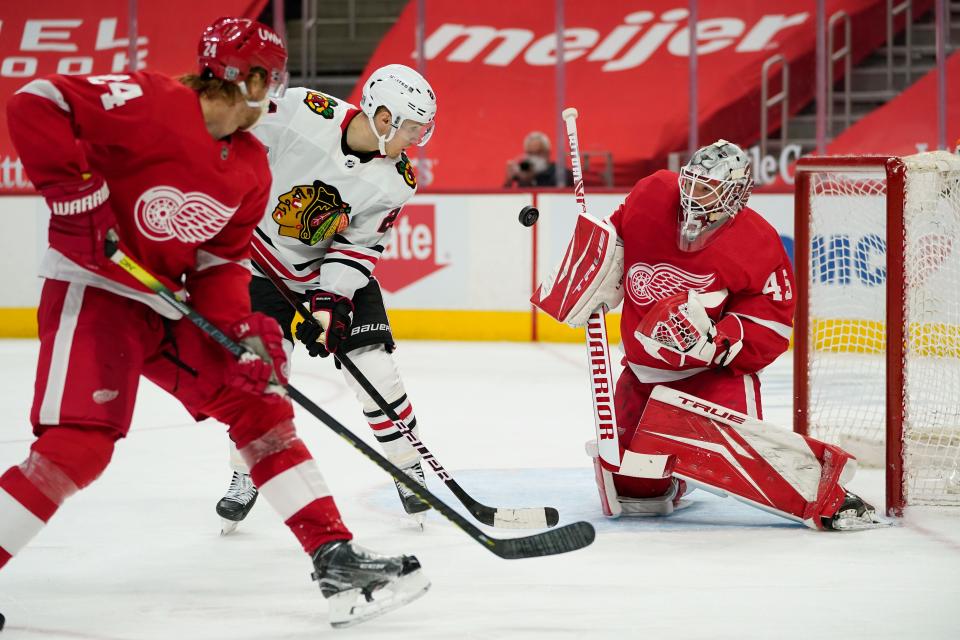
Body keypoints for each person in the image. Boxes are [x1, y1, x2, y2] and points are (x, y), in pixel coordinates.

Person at [0, 18, 428, 629]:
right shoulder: (151, 101)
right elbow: (36, 104)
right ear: (246, 79)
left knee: (260, 403)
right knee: (78, 448)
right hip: (97, 292)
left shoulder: (251, 165)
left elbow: (219, 265)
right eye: (271, 80)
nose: (277, 94)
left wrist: (245, 332)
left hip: (169, 304)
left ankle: (333, 558)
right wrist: (75, 198)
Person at [534, 140, 883, 531]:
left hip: (711, 378)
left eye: (707, 187)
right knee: (634, 492)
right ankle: (678, 476)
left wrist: (718, 341)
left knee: (742, 466)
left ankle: (823, 491)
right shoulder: (652, 194)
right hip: (644, 373)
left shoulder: (758, 240)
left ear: (735, 194)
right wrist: (594, 266)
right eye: (692, 182)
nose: (693, 194)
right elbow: (615, 237)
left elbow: (773, 321)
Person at [214, 63, 437, 533]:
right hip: (260, 265)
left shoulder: (398, 179)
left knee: (375, 366)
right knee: (258, 373)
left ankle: (407, 466)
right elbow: (234, 135)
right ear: (382, 117)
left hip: (329, 272)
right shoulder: (300, 111)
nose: (416, 140)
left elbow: (358, 244)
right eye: (412, 128)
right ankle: (245, 471)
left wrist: (329, 300)